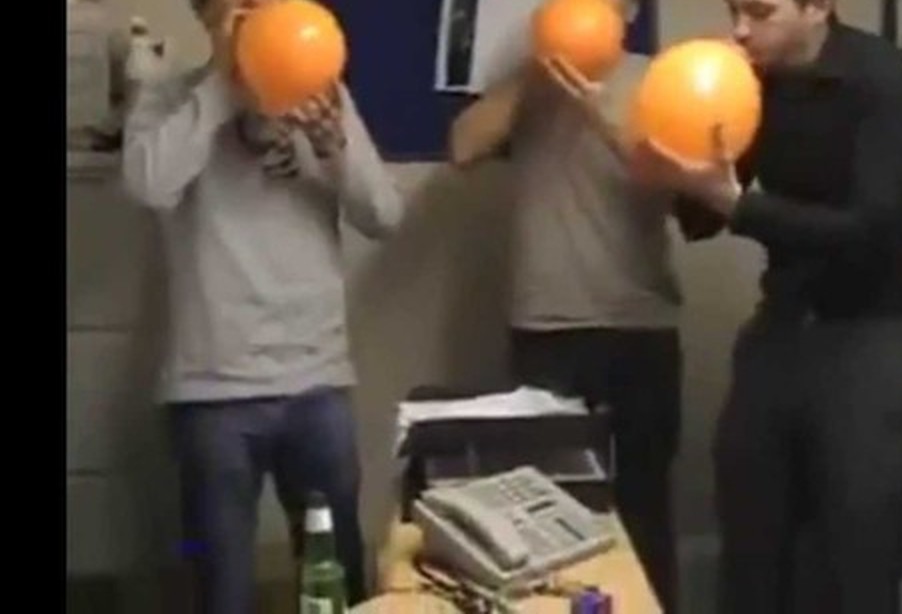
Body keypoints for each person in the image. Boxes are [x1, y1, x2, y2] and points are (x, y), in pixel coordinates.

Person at [631, 1, 902, 612]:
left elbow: (868, 228)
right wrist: (679, 175)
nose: (741, 29)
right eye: (735, 9)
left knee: (858, 557)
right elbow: (703, 221)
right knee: (751, 544)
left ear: (817, 7)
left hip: (869, 340)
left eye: (761, 11)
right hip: (781, 332)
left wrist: (737, 206)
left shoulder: (883, 80)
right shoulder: (749, 81)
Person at [121, 0, 403, 611]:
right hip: (211, 391)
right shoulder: (171, 96)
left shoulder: (322, 91)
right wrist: (226, 87)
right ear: (208, 17)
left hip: (317, 381)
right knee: (221, 588)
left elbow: (384, 216)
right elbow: (148, 185)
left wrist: (335, 151)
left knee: (338, 584)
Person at [446, 2, 721, 610]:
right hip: (546, 328)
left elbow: (687, 190)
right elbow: (462, 148)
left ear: (628, 11)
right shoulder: (528, 78)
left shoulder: (657, 81)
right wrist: (534, 76)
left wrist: (601, 112)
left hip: (639, 327)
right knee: (547, 513)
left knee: (644, 511)